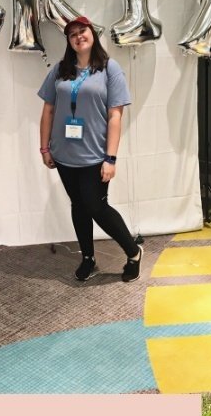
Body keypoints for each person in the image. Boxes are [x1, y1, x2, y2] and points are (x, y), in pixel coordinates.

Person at [37, 16, 143, 282]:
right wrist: (44, 148)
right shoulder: (61, 69)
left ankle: (133, 252)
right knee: (78, 206)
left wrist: (111, 157)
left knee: (96, 206)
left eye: (82, 31)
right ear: (69, 42)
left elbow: (115, 116)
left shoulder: (110, 69)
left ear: (92, 34)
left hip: (95, 156)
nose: (78, 36)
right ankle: (88, 258)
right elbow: (48, 109)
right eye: (72, 34)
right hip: (63, 154)